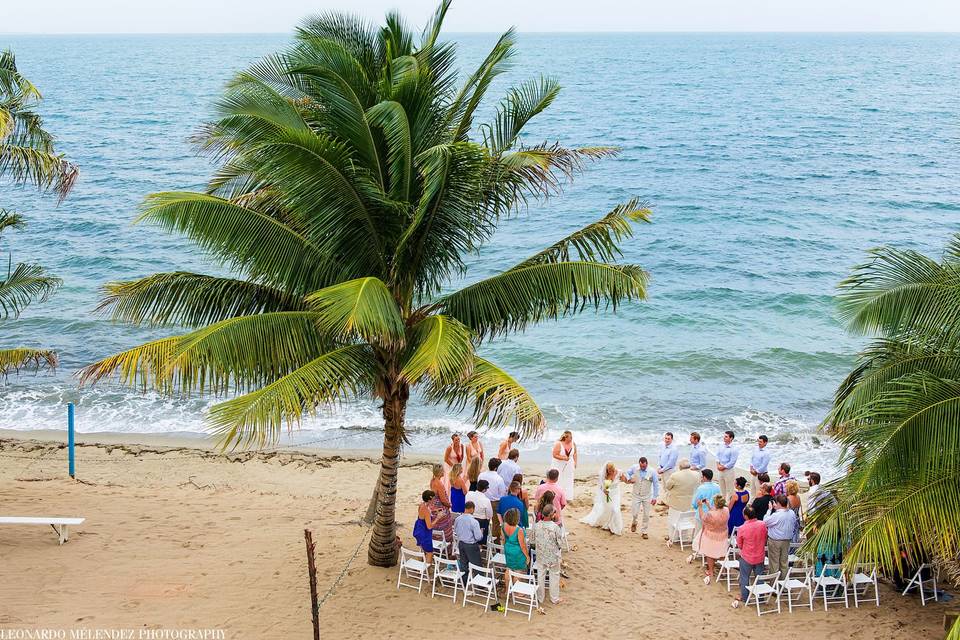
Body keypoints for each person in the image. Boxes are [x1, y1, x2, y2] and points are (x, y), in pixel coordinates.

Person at [731, 506, 767, 608]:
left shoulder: (742, 528)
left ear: (745, 516)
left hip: (747, 556)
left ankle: (745, 596)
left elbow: (740, 544)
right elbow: (765, 538)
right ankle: (760, 597)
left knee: (744, 577)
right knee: (759, 577)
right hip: (759, 555)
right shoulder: (762, 524)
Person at [692, 494, 729, 585]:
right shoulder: (726, 510)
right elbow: (716, 512)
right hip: (723, 534)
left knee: (710, 553)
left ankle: (711, 571)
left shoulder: (711, 514)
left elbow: (703, 518)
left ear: (715, 504)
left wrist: (700, 506)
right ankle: (724, 570)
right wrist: (708, 505)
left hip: (711, 535)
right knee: (722, 552)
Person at [579, 462, 624, 535]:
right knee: (608, 510)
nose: (611, 472)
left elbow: (624, 480)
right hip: (608, 495)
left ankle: (616, 528)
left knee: (616, 509)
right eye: (610, 470)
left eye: (612, 470)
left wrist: (630, 480)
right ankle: (607, 524)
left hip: (616, 493)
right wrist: (605, 491)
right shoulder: (604, 476)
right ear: (607, 470)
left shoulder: (619, 472)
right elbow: (603, 487)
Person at [533, 503, 563, 608]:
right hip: (553, 556)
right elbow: (560, 543)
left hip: (541, 555)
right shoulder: (555, 527)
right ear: (551, 515)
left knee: (540, 575)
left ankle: (540, 597)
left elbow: (533, 540)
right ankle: (554, 598)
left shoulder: (536, 525)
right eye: (555, 512)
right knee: (554, 576)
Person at [764, 495, 798, 581]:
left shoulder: (777, 515)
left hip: (775, 541)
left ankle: (775, 586)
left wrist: (769, 510)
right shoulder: (791, 513)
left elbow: (765, 522)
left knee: (774, 563)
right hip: (786, 540)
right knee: (784, 563)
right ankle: (783, 585)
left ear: (778, 503)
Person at [665, 459, 700, 542]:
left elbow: (668, 486)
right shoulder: (696, 474)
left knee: (673, 520)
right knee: (685, 520)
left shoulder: (675, 475)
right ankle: (683, 538)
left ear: (680, 466)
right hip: (689, 501)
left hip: (676, 502)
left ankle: (673, 538)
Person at [624, 456, 659, 537]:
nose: (642, 467)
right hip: (636, 494)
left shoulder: (652, 471)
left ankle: (644, 531)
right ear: (639, 464)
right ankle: (634, 522)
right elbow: (627, 473)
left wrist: (654, 497)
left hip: (647, 495)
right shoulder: (634, 467)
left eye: (644, 466)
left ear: (647, 464)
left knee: (646, 514)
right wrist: (629, 479)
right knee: (634, 513)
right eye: (641, 466)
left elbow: (656, 485)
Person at [454, 501, 484, 585]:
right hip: (471, 545)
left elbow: (455, 531)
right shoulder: (474, 522)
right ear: (472, 509)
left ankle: (464, 582)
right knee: (476, 565)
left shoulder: (458, 518)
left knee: (463, 564)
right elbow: (478, 537)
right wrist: (481, 532)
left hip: (461, 543)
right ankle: (480, 585)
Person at [479, 459, 507, 542]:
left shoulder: (481, 475)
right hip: (495, 502)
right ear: (496, 468)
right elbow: (502, 494)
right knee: (496, 524)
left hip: (483, 500)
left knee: (483, 521)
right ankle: (495, 543)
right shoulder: (499, 478)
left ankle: (482, 540)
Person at [502, 508, 530, 590]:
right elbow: (523, 546)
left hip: (508, 549)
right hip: (517, 552)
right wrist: (527, 556)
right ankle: (516, 592)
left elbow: (503, 539)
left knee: (508, 569)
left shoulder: (503, 525)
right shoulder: (519, 530)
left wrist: (506, 548)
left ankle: (507, 590)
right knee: (517, 571)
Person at [428, 465, 454, 543]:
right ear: (439, 473)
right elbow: (443, 500)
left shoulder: (432, 480)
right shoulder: (439, 484)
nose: (444, 472)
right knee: (447, 522)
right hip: (439, 508)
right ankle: (446, 543)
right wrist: (449, 505)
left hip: (433, 506)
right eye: (442, 471)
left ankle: (435, 540)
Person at [413, 490, 439, 565]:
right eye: (433, 498)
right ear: (430, 499)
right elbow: (429, 526)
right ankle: (427, 570)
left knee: (423, 549)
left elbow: (423, 516)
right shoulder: (426, 511)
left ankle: (421, 567)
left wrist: (434, 511)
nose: (434, 499)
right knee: (430, 553)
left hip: (419, 528)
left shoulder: (422, 505)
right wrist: (438, 518)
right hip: (424, 532)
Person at [550, 431, 577, 501]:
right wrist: (563, 458)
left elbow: (575, 453)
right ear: (565, 437)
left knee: (568, 479)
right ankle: (557, 496)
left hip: (569, 465)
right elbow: (554, 455)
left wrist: (575, 462)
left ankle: (567, 496)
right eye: (570, 438)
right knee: (559, 479)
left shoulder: (573, 443)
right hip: (559, 465)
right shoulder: (558, 444)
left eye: (572, 437)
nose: (571, 439)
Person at [464, 480, 493, 544]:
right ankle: (480, 544)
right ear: (485, 490)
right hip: (481, 521)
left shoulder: (469, 494)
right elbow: (489, 515)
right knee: (487, 522)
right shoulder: (486, 500)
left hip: (469, 518)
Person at [715, 430, 739, 498]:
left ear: (731, 438)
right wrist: (718, 465)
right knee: (722, 488)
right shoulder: (721, 446)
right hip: (720, 469)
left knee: (730, 489)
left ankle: (729, 505)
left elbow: (732, 462)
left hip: (729, 471)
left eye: (726, 437)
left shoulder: (734, 449)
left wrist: (723, 467)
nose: (724, 438)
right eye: (724, 436)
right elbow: (717, 456)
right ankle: (722, 503)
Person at [657, 432, 679, 501]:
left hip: (669, 470)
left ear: (672, 439)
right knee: (663, 486)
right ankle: (666, 500)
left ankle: (670, 502)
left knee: (669, 487)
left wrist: (662, 470)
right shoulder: (663, 446)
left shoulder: (674, 449)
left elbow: (671, 462)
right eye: (666, 438)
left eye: (668, 439)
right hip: (662, 469)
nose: (666, 440)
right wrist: (659, 466)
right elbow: (660, 456)